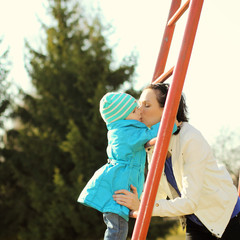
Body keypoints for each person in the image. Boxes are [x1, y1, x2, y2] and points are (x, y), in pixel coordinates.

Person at [113, 83, 240, 240]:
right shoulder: (153, 143)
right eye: (139, 105)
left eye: (147, 105)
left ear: (167, 110)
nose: (139, 111)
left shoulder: (190, 139)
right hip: (195, 221)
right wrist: (136, 200)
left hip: (226, 217)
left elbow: (189, 202)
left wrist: (143, 206)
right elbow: (157, 191)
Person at [78, 91, 177, 240]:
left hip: (117, 183)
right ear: (122, 117)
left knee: (117, 228)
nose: (139, 111)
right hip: (117, 187)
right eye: (133, 110)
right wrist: (172, 123)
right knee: (117, 230)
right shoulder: (127, 133)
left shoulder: (122, 130)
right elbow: (153, 134)